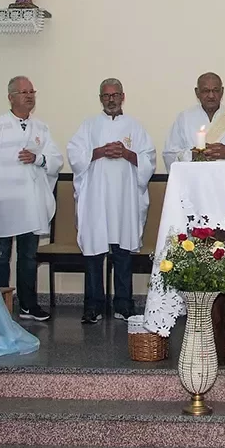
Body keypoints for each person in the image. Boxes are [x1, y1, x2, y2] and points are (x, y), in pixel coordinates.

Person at [67, 79, 156, 323]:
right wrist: (98, 152)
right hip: (96, 198)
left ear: (123, 96)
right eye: (106, 96)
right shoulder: (89, 126)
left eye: (115, 95)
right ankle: (93, 306)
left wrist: (127, 154)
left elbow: (149, 159)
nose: (111, 99)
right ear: (100, 98)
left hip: (124, 200)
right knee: (95, 254)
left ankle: (124, 305)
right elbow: (75, 155)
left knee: (122, 252)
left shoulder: (134, 127)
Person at [0, 75, 63, 322]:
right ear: (11, 97)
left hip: (29, 202)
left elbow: (55, 159)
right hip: (3, 201)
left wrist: (38, 159)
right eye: (23, 92)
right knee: (1, 256)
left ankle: (28, 305)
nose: (29, 95)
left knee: (28, 257)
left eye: (31, 91)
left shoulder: (41, 128)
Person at [162, 72, 225, 166]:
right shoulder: (184, 118)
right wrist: (192, 155)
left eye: (216, 90)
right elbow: (170, 155)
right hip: (194, 179)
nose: (211, 96)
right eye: (206, 91)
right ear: (197, 92)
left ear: (222, 91)